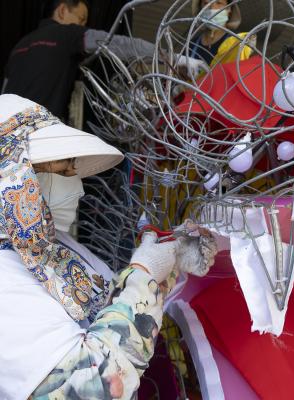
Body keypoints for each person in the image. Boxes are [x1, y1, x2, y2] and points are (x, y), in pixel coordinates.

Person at [0, 93, 218, 400]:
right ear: (12, 177)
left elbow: (110, 307)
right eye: (63, 171)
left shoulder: (50, 246)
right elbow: (94, 389)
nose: (76, 187)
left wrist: (169, 263)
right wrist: (144, 274)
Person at [2, 0, 207, 121]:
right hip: (39, 137)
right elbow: (120, 44)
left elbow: (4, 91)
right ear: (63, 11)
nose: (82, 25)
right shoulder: (68, 34)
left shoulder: (19, 46)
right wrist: (174, 57)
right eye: (81, 19)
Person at [189, 0, 255, 67]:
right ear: (200, 10)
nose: (212, 7)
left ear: (229, 10)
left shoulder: (236, 45)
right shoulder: (191, 44)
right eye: (206, 3)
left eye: (219, 3)